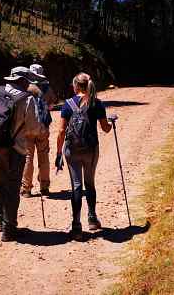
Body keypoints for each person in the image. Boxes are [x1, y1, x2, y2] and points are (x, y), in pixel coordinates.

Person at [0, 67, 45, 242]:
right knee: (13, 186)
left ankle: (1, 221)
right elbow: (33, 128)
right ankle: (9, 229)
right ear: (23, 81)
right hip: (15, 149)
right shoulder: (27, 99)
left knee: (0, 183)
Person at [55, 72, 112, 240]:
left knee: (77, 185)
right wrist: (112, 121)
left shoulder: (67, 104)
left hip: (72, 150)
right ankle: (92, 218)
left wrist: (58, 152)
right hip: (91, 149)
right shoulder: (96, 103)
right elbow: (105, 128)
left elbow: (61, 131)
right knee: (89, 183)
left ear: (75, 86)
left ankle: (76, 225)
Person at [21, 65, 52, 197]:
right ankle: (44, 187)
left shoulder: (26, 87)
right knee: (43, 156)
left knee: (28, 157)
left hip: (27, 127)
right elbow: (52, 102)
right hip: (43, 127)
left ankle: (26, 188)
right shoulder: (46, 87)